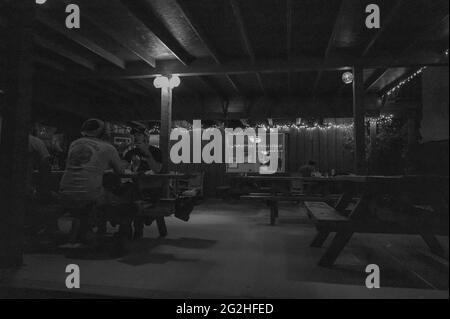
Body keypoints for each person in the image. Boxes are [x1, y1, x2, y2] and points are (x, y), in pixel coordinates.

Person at [59, 119, 135, 252]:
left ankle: (87, 232)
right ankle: (123, 235)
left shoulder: (74, 144)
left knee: (97, 193)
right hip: (90, 194)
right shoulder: (108, 148)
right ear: (102, 133)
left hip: (65, 192)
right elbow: (121, 172)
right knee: (127, 199)